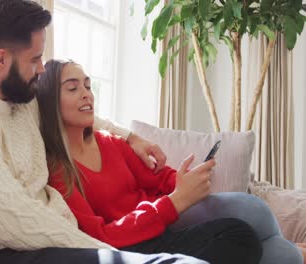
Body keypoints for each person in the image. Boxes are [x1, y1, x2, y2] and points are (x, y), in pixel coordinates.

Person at [0, 0, 208, 263]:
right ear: (1, 59)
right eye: (34, 59)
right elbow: (14, 221)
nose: (42, 69)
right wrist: (109, 252)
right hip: (3, 253)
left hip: (57, 242)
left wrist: (132, 137)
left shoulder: (18, 99)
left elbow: (76, 115)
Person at [37, 59, 303, 264]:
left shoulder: (111, 141)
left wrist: (186, 182)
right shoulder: (58, 169)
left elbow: (159, 179)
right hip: (132, 247)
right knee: (243, 236)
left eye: (87, 84)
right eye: (73, 88)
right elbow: (99, 236)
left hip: (161, 228)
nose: (87, 93)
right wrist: (174, 202)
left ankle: (296, 254)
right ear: (50, 102)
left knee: (264, 239)